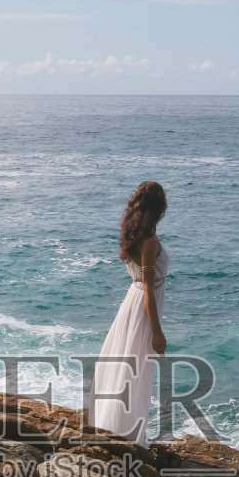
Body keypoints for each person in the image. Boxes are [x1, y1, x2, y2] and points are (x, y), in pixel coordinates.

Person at [91, 181, 168, 446]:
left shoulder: (134, 235)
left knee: (128, 368)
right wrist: (157, 330)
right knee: (136, 371)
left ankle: (119, 427)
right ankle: (129, 433)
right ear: (158, 208)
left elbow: (142, 283)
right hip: (142, 307)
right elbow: (148, 285)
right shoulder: (148, 241)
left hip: (133, 302)